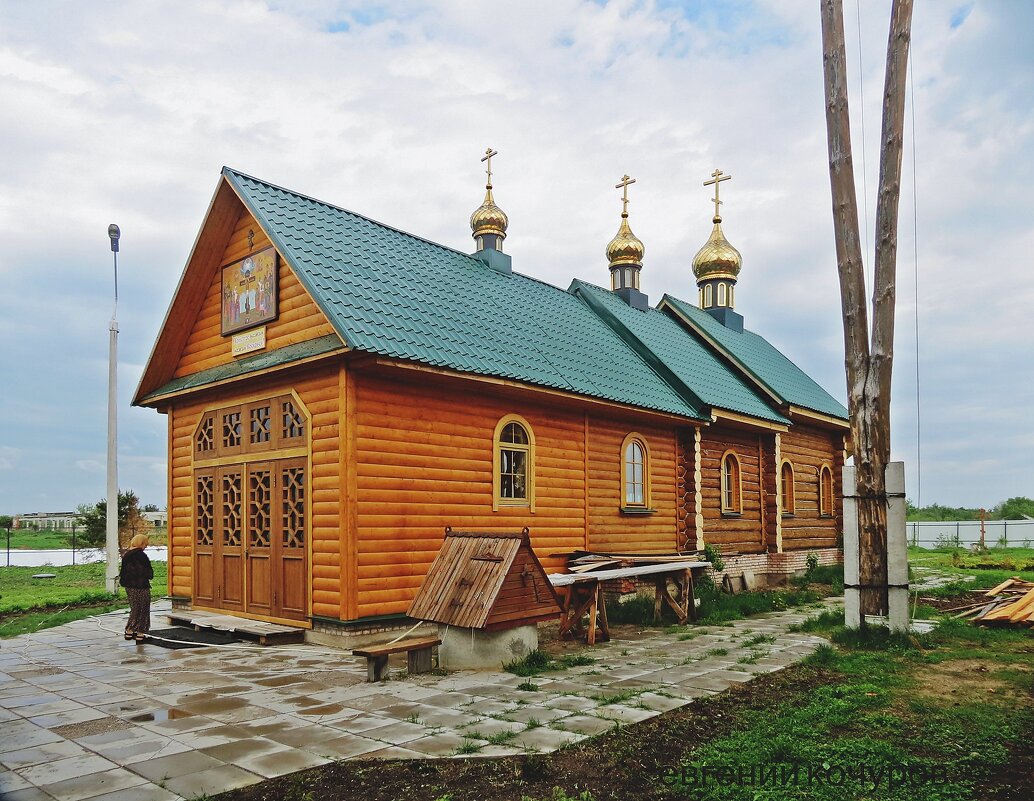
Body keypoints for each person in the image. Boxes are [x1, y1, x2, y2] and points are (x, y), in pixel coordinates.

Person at [119, 533, 154, 641]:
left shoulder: (126, 555)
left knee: (135, 609)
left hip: (129, 587)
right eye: (145, 544)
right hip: (141, 586)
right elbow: (147, 572)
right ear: (141, 544)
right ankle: (140, 634)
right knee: (143, 610)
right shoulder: (141, 556)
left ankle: (129, 631)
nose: (146, 546)